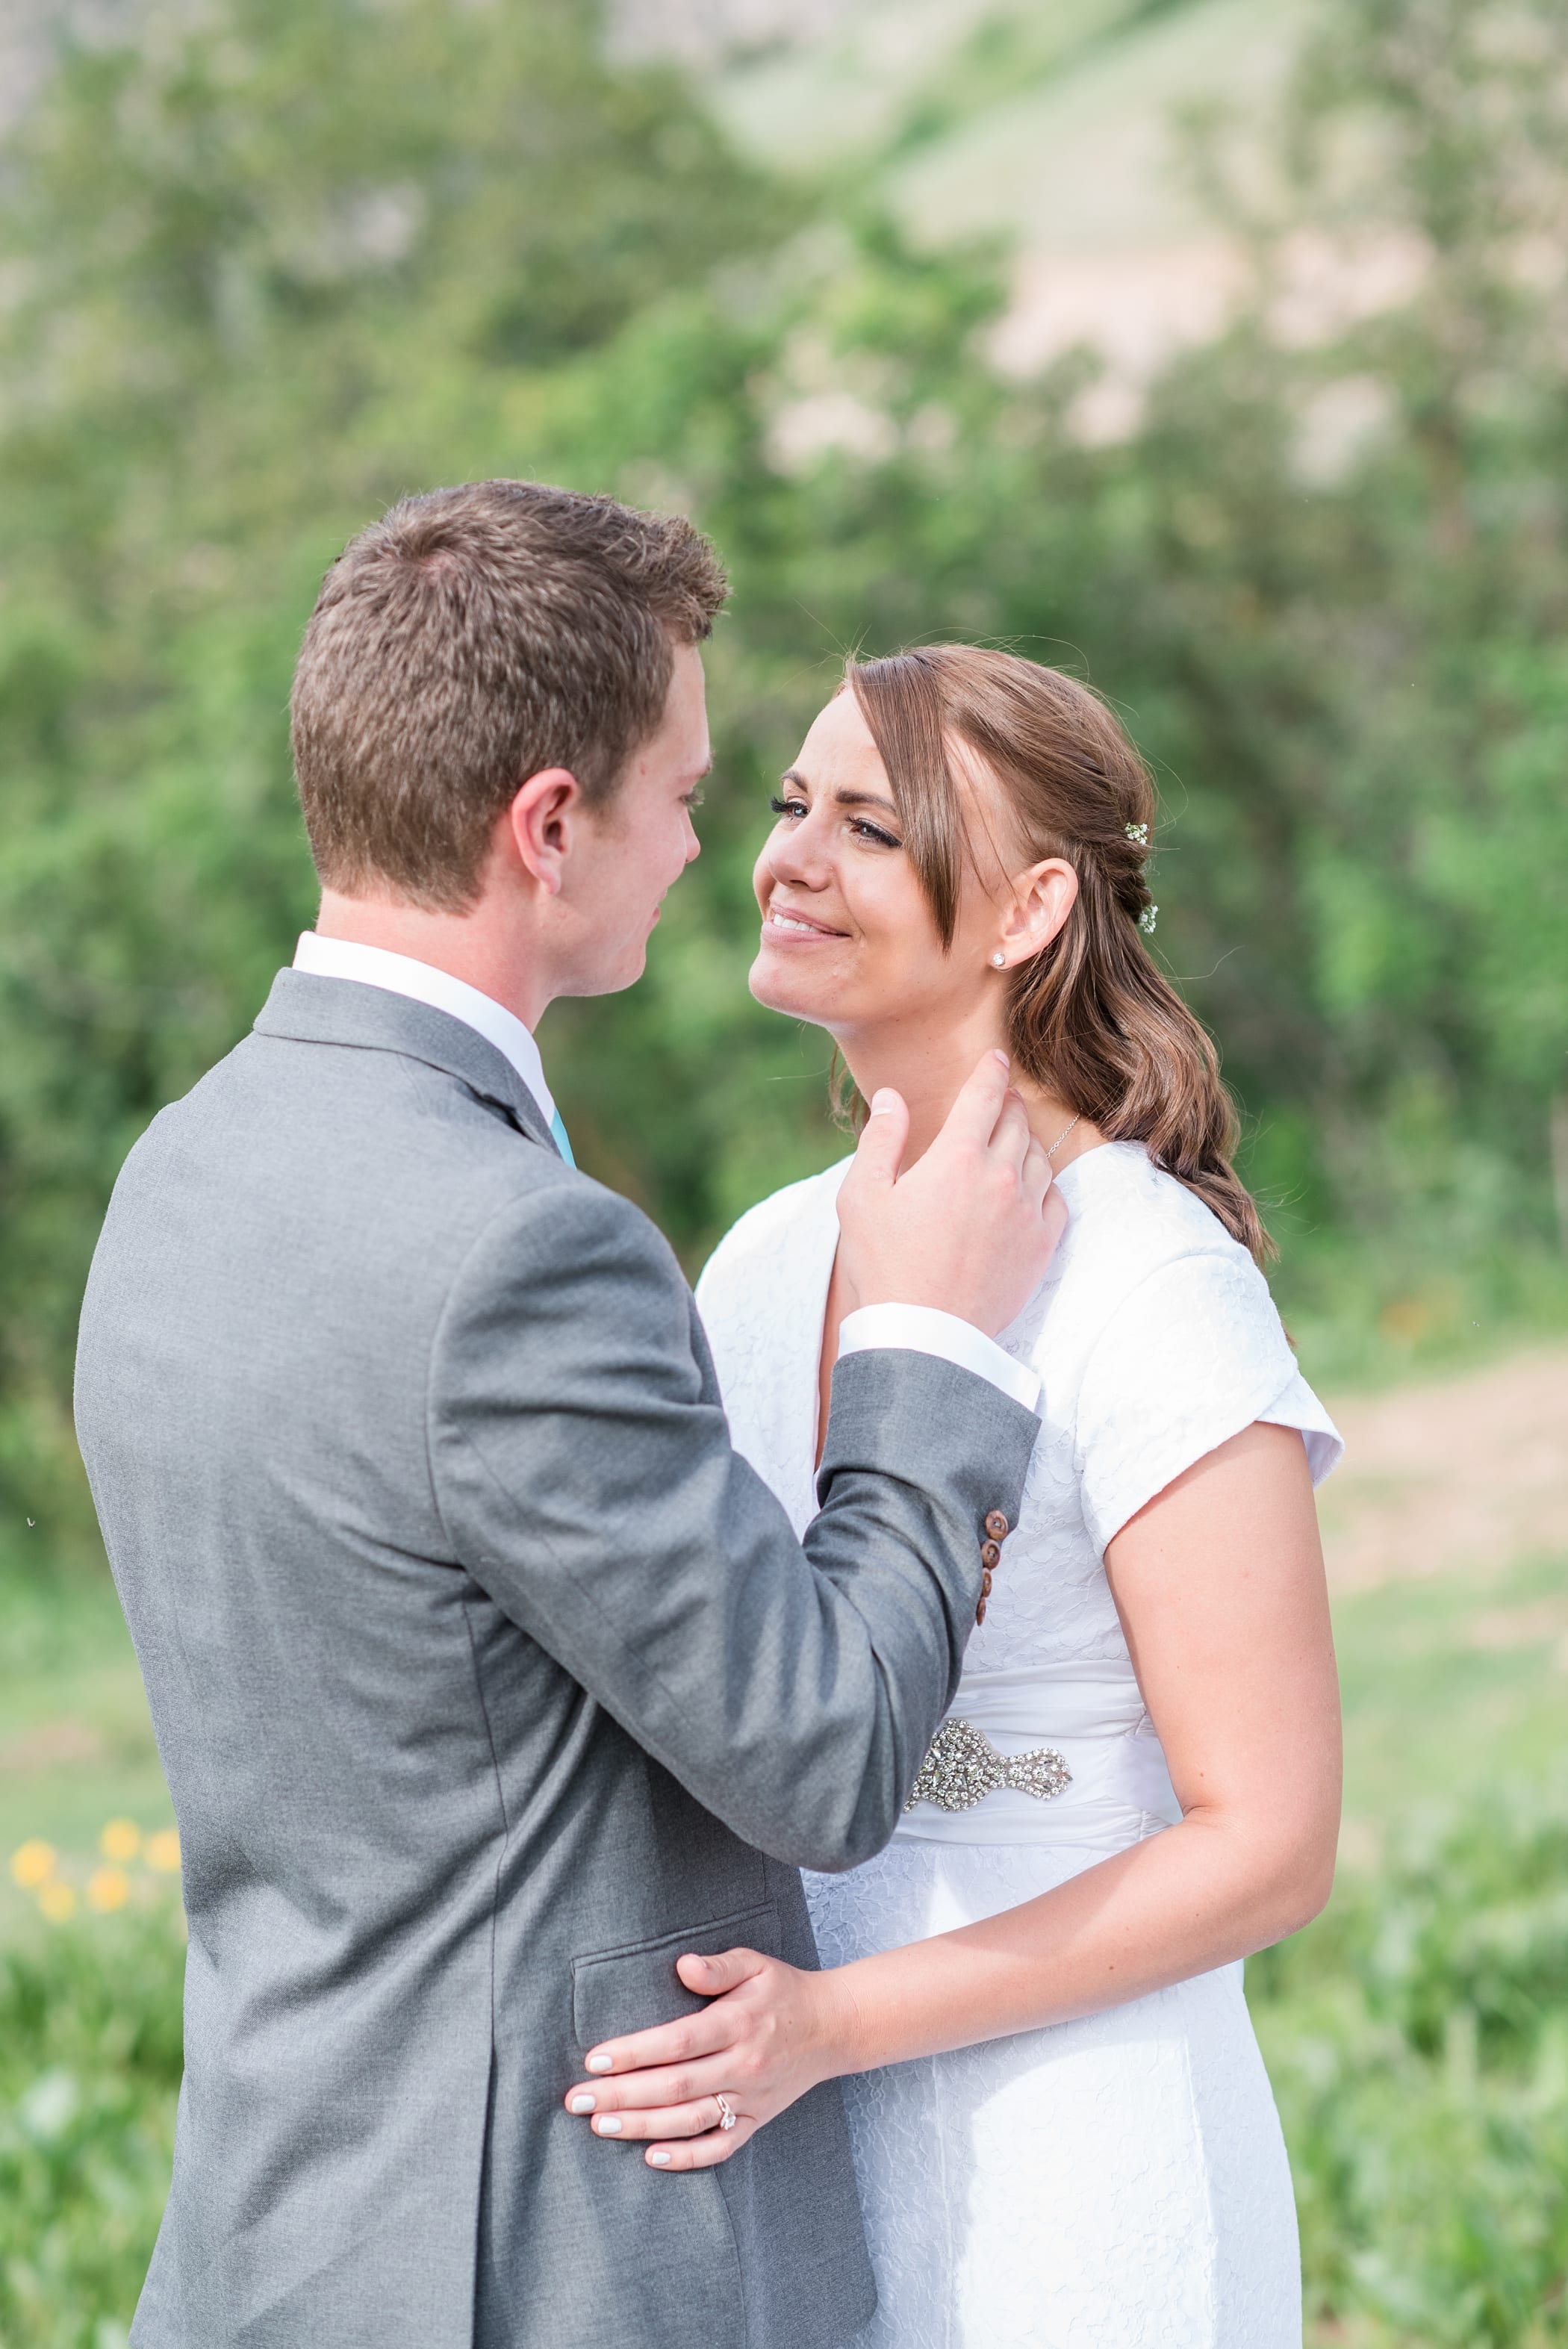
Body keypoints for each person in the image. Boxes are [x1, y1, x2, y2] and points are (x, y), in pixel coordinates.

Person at [73, 497, 1068, 2349]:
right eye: (685, 795)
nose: (709, 844)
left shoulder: (182, 1167)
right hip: (542, 2263)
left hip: (266, 2235)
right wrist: (932, 1342)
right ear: (549, 826)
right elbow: (829, 1755)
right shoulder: (520, 1250)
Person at [560, 645, 1345, 2348]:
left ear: (1030, 905)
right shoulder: (759, 1262)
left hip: (1080, 2152)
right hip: (805, 2155)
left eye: (868, 822)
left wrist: (838, 2023)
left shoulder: (1152, 1283)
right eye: (783, 808)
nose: (786, 858)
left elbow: (1271, 1845)